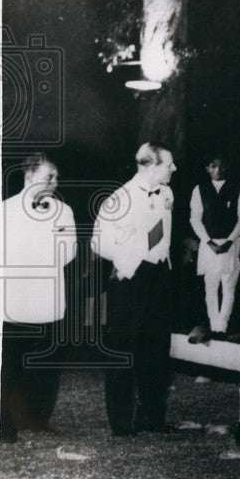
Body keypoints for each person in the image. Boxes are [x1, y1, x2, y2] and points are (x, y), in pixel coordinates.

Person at [92, 142, 176, 436]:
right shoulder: (121, 198)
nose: (173, 169)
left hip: (159, 278)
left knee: (156, 349)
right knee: (122, 350)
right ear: (150, 166)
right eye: (168, 164)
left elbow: (163, 235)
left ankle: (151, 418)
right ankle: (121, 423)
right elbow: (98, 242)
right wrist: (130, 255)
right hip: (130, 280)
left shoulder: (167, 193)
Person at [0, 154, 77, 441]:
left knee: (46, 365)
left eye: (56, 178)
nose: (54, 183)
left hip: (48, 301)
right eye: (48, 177)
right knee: (11, 365)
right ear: (29, 176)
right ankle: (5, 425)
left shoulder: (63, 211)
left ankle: (37, 418)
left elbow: (68, 251)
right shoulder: (4, 210)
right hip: (15, 302)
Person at [188, 156, 240, 341]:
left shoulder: (239, 187)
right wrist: (208, 241)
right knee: (210, 288)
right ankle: (214, 325)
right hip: (209, 246)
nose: (218, 169)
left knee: (229, 287)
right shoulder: (200, 189)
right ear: (207, 168)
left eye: (221, 165)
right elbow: (195, 219)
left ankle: (222, 327)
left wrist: (229, 241)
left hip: (231, 244)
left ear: (227, 167)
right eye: (213, 165)